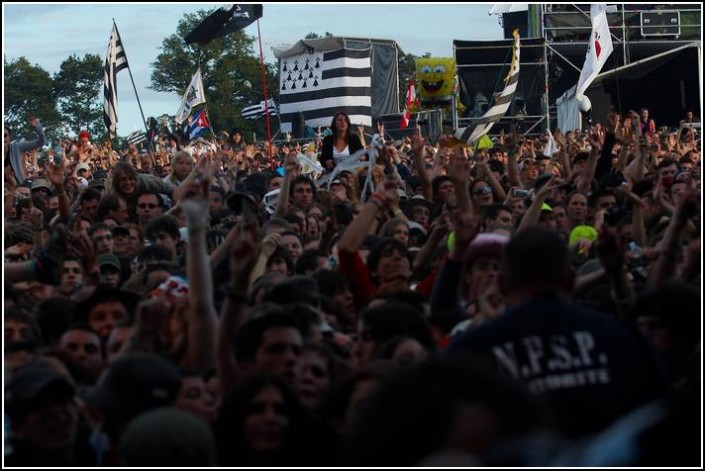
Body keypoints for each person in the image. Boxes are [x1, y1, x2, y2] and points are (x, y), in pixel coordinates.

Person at [447, 227, 671, 438]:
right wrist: (615, 272)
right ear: (572, 282)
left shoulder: (471, 350)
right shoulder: (617, 336)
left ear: (503, 284)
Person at [5, 117, 46, 184]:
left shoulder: (17, 147)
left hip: (19, 187)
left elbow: (41, 142)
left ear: (9, 138)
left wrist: (38, 127)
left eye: (5, 135)